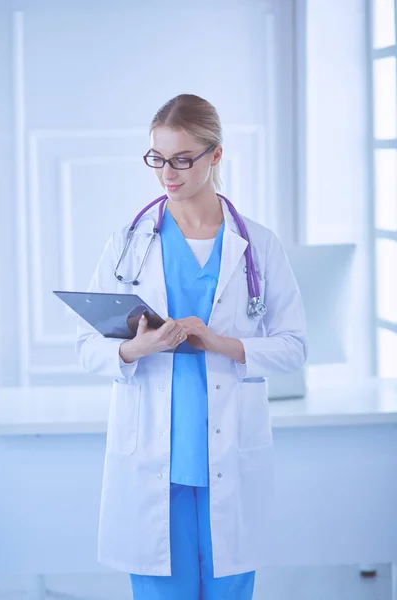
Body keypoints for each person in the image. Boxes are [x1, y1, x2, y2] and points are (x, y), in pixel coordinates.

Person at [75, 93, 308, 600]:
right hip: (154, 453)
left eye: (183, 159)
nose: (168, 173)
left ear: (215, 155)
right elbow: (87, 345)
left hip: (229, 451)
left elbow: (293, 348)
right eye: (158, 159)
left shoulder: (259, 246)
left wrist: (220, 342)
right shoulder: (128, 242)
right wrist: (137, 349)